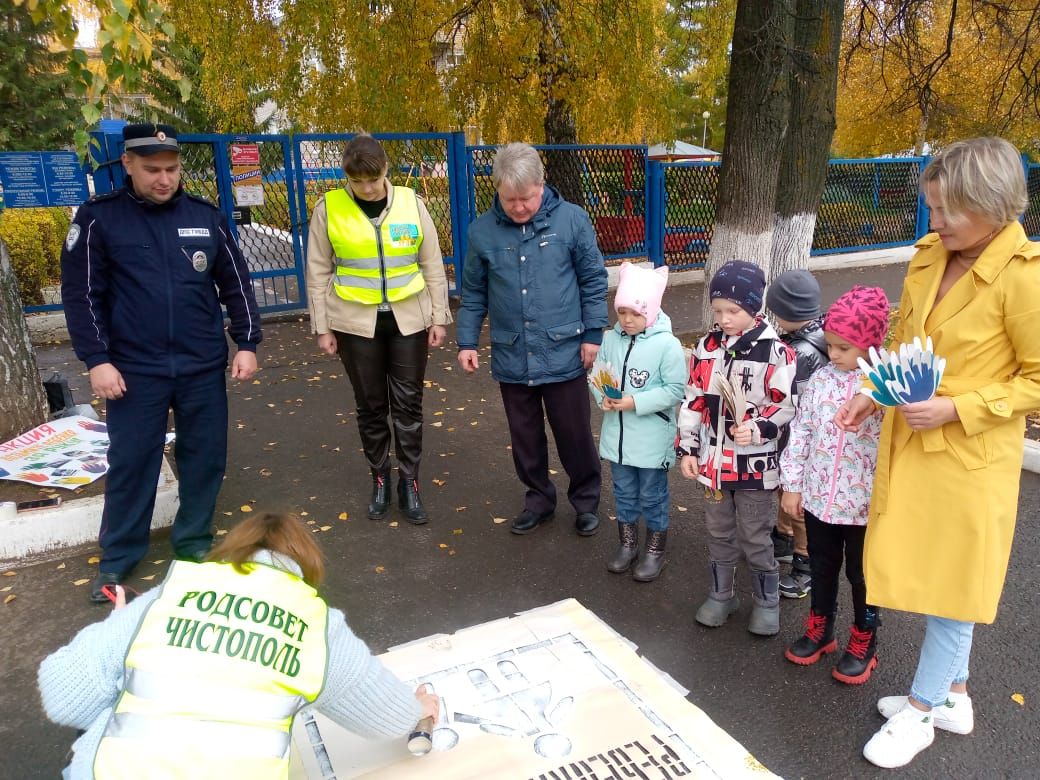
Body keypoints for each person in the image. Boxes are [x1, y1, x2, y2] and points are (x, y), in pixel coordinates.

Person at [829, 138, 1040, 769]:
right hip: (911, 446)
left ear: (994, 206)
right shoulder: (930, 255)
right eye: (932, 208)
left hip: (967, 460)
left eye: (947, 210)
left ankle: (921, 712)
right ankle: (954, 693)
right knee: (945, 579)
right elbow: (903, 337)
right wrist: (875, 392)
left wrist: (958, 408)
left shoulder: (1024, 279)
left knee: (952, 587)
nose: (935, 222)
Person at [38, 511, 439, 779]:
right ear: (306, 567)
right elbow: (384, 719)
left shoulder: (172, 592)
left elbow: (64, 697)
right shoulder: (317, 624)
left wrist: (123, 655)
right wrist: (418, 712)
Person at [60, 123, 261, 603]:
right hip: (132, 371)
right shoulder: (98, 220)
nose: (164, 179)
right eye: (153, 169)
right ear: (128, 164)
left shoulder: (205, 217)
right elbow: (81, 295)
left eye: (172, 169)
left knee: (205, 458)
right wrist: (97, 360)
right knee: (132, 463)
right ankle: (118, 560)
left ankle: (192, 546)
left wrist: (247, 343)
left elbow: (236, 284)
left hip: (200, 365)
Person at [456, 142, 608, 537]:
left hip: (565, 349)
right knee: (524, 436)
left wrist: (593, 334)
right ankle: (538, 499)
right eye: (510, 200)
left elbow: (593, 281)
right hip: (512, 353)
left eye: (527, 198)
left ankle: (586, 501)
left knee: (574, 433)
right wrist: (467, 342)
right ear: (498, 192)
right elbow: (473, 293)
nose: (519, 207)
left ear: (542, 185)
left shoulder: (572, 221)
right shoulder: (481, 231)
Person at [306, 135, 452, 525]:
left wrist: (439, 317)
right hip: (355, 324)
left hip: (409, 321)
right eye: (357, 181)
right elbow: (318, 270)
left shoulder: (411, 203)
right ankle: (380, 478)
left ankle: (410, 483)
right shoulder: (328, 209)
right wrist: (323, 327)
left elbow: (432, 264)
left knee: (408, 406)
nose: (367, 188)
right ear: (346, 178)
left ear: (386, 169)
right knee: (371, 406)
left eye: (373, 178)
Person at [677, 260, 797, 636]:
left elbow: (786, 404)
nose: (725, 319)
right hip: (713, 465)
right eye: (718, 311)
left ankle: (767, 603)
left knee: (755, 536)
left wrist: (760, 427)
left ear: (754, 308)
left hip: (754, 469)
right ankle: (721, 594)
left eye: (734, 310)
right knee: (719, 532)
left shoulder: (777, 352)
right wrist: (688, 449)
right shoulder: (706, 348)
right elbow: (693, 399)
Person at [780, 286, 889, 684]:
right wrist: (793, 486)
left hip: (864, 506)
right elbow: (802, 433)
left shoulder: (884, 386)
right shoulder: (822, 379)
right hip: (819, 498)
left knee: (863, 576)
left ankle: (864, 637)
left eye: (844, 347)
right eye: (831, 344)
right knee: (822, 566)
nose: (834, 353)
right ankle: (820, 627)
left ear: (871, 343)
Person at [590, 262, 686, 581]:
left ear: (652, 311)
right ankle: (628, 545)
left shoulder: (666, 345)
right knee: (624, 493)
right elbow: (597, 376)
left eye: (636, 313)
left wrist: (634, 402)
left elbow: (675, 390)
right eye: (623, 312)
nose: (628, 320)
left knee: (652, 495)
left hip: (651, 440)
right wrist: (601, 396)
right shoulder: (610, 339)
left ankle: (655, 550)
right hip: (617, 440)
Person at [765, 269, 829, 599]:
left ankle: (804, 564)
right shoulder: (816, 336)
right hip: (797, 435)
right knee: (784, 492)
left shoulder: (802, 352)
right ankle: (782, 537)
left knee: (797, 502)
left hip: (797, 437)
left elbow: (789, 400)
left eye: (777, 312)